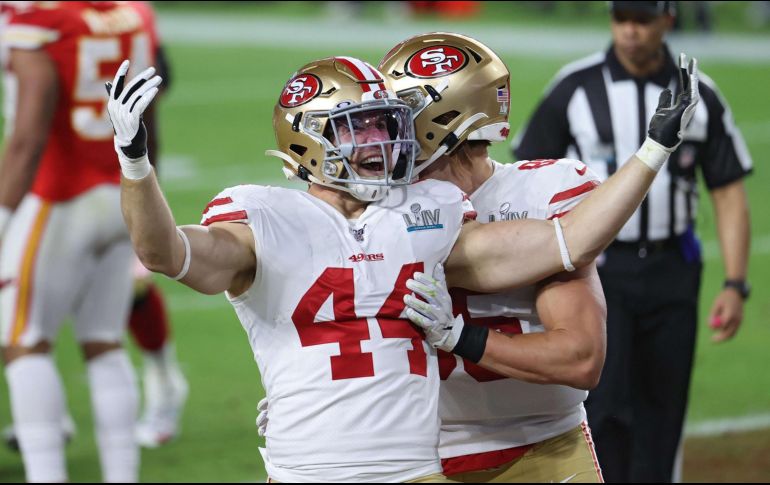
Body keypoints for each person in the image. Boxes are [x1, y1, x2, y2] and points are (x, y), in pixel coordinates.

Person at [107, 47, 696, 481]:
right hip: (376, 456)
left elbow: (567, 248)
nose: (384, 140)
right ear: (310, 142)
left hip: (505, 450)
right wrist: (308, 393)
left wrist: (651, 152)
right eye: (360, 127)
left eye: (387, 122)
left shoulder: (428, 213)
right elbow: (168, 254)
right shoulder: (272, 215)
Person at [512, 2, 752, 482]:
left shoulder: (698, 93)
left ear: (668, 20)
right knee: (602, 408)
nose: (630, 31)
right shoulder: (574, 87)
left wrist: (735, 282)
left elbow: (727, 190)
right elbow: (524, 179)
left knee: (663, 410)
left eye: (642, 20)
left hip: (673, 271)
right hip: (596, 274)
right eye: (622, 18)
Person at [376, 31, 606, 483]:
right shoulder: (375, 202)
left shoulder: (544, 192)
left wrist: (461, 337)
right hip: (413, 455)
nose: (379, 132)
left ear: (443, 119)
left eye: (399, 115)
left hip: (542, 443)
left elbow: (580, 358)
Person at [0, 2, 164, 481]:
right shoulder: (136, 12)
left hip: (59, 196)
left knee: (25, 343)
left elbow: (28, 137)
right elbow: (147, 110)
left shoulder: (44, 22)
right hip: (119, 191)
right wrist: (149, 189)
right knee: (105, 343)